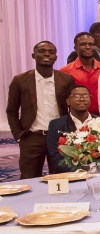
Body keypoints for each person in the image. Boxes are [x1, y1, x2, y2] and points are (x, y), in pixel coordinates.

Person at [7, 41, 75, 178]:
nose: (47, 54)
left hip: (59, 137)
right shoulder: (20, 80)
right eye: (42, 51)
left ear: (56, 57)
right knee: (29, 178)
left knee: (61, 178)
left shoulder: (66, 79)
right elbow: (12, 111)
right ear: (33, 55)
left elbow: (72, 108)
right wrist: (18, 136)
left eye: (51, 52)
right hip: (32, 137)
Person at [46, 86, 95, 172]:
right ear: (68, 101)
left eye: (85, 96)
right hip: (69, 174)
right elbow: (55, 158)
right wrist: (82, 170)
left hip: (98, 173)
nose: (82, 99)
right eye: (77, 96)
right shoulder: (56, 125)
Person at [60, 32, 100, 115]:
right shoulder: (65, 71)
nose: (88, 47)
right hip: (77, 117)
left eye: (91, 44)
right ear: (75, 48)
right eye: (83, 44)